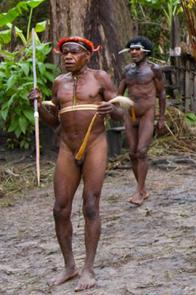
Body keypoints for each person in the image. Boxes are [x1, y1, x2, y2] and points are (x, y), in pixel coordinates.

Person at [30, 37, 126, 291]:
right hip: (67, 147)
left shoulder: (101, 78)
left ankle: (89, 269)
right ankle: (69, 266)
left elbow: (120, 112)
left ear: (88, 55)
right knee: (60, 209)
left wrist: (110, 109)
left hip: (95, 143)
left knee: (91, 206)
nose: (68, 57)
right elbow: (54, 122)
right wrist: (40, 105)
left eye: (74, 53)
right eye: (64, 54)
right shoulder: (58, 83)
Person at [117, 36, 165, 206]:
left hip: (147, 114)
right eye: (131, 49)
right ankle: (142, 189)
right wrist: (112, 107)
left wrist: (161, 118)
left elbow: (161, 94)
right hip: (130, 115)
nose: (134, 52)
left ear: (145, 51)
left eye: (137, 49)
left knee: (142, 151)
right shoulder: (127, 71)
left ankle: (139, 191)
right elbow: (119, 94)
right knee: (132, 153)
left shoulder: (154, 69)